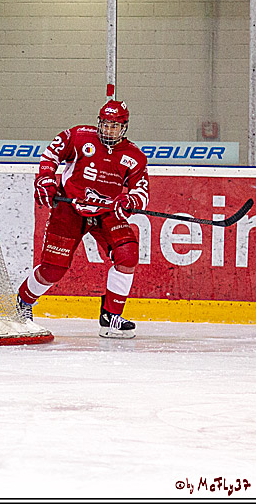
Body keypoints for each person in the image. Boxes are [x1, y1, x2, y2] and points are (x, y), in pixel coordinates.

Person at [20, 100, 150, 339]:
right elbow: (51, 154)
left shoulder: (134, 156)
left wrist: (131, 201)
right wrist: (46, 178)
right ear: (99, 122)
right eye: (105, 124)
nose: (109, 130)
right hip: (69, 207)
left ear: (124, 127)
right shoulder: (79, 136)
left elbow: (141, 191)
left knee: (128, 253)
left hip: (106, 211)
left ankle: (111, 317)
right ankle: (23, 302)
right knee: (53, 270)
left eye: (115, 126)